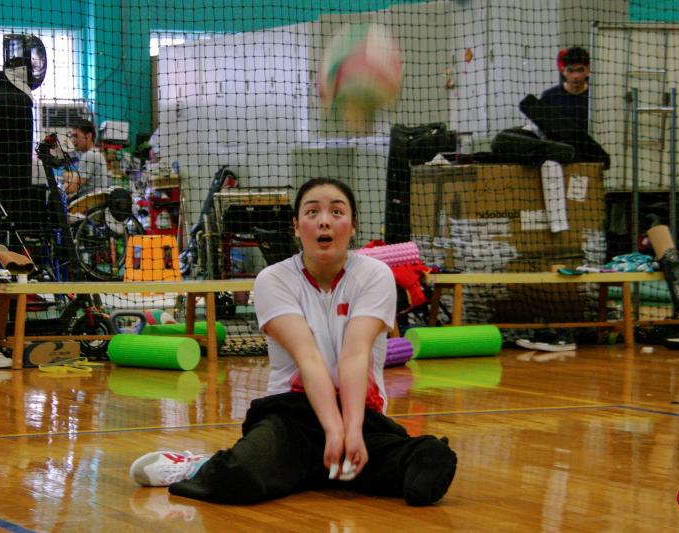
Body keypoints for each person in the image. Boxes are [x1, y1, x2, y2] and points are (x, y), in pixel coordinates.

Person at [129, 177, 457, 506]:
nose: (324, 220)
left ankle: (309, 470)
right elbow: (308, 357)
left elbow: (354, 355)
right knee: (238, 476)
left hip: (362, 416)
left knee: (431, 458)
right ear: (297, 228)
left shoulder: (375, 275)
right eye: (312, 212)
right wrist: (332, 430)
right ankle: (200, 466)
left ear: (353, 226)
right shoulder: (274, 279)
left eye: (337, 211)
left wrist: (350, 431)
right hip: (291, 417)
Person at [540, 46, 591, 134]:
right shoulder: (549, 97)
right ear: (563, 71)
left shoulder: (595, 99)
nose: (575, 76)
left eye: (580, 70)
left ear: (588, 70)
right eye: (570, 70)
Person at [62, 119, 110, 202]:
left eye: (76, 136)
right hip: (96, 202)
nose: (73, 140)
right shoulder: (95, 152)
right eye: (72, 136)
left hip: (90, 205)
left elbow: (73, 187)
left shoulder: (89, 155)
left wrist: (58, 188)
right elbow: (80, 178)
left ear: (88, 136)